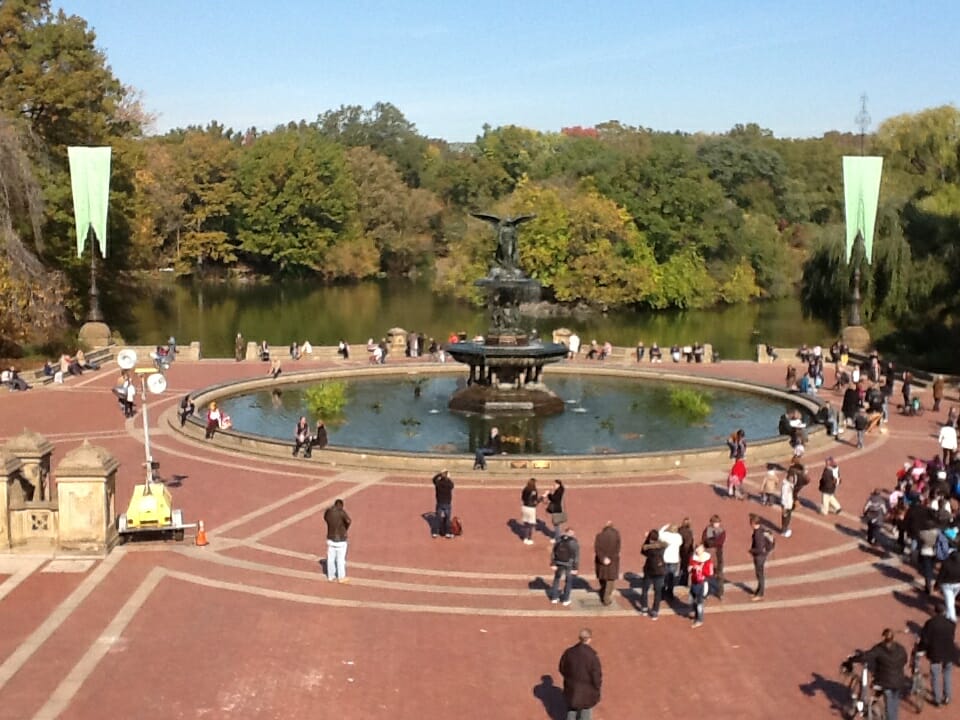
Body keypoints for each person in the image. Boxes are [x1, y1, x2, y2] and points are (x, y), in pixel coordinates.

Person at [857, 628, 908, 719]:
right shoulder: (900, 649)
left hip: (885, 682)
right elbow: (905, 660)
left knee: (889, 706)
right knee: (894, 705)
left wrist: (853, 659)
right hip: (899, 681)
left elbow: (866, 656)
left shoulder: (879, 649)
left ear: (884, 637)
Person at [558, 628, 602, 720]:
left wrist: (569, 679)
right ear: (589, 639)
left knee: (571, 709)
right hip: (587, 690)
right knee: (585, 711)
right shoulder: (592, 656)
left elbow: (562, 668)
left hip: (572, 687)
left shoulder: (569, 652)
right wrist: (597, 687)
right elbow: (596, 675)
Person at [919, 602, 957, 707]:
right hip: (949, 652)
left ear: (935, 611)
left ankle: (937, 699)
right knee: (947, 674)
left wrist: (920, 649)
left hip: (935, 652)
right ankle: (947, 695)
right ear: (944, 612)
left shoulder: (930, 623)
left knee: (935, 674)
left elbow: (925, 640)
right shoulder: (951, 623)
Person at [639, 528, 667, 619]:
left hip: (649, 571)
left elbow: (643, 551)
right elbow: (664, 543)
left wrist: (647, 540)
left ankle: (644, 608)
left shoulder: (649, 549)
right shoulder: (662, 547)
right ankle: (655, 611)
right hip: (660, 571)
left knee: (645, 590)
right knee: (658, 592)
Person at [323, 499, 351, 583]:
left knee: (331, 559)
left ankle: (331, 576)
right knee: (340, 559)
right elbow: (348, 521)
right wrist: (345, 528)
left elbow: (325, 518)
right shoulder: (341, 512)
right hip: (341, 539)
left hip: (331, 538)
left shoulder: (329, 512)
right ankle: (341, 577)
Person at [550, 528, 580, 606]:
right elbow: (576, 556)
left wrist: (553, 563)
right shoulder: (574, 542)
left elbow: (553, 551)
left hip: (558, 562)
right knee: (568, 581)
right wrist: (575, 568)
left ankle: (554, 598)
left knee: (556, 579)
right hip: (569, 564)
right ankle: (566, 599)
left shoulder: (559, 539)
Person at [594, 521, 621, 607]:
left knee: (602, 578)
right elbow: (618, 548)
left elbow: (597, 549)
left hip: (601, 561)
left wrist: (603, 558)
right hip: (612, 561)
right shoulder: (616, 535)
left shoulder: (599, 536)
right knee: (610, 580)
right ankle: (606, 598)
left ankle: (602, 592)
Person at [688, 544, 714, 628]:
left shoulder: (707, 560)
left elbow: (710, 573)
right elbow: (689, 568)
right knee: (692, 600)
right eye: (696, 549)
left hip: (702, 583)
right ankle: (696, 614)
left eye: (699, 549)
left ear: (703, 549)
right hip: (694, 582)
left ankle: (699, 619)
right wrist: (691, 568)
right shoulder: (693, 558)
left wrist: (701, 569)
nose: (697, 551)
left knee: (699, 602)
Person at [702, 515, 726, 600]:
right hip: (708, 556)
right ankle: (706, 592)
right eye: (715, 523)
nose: (717, 524)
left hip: (718, 555)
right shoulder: (707, 530)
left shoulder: (722, 531)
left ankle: (720, 592)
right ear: (711, 522)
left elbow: (720, 542)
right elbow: (704, 540)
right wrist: (712, 542)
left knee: (719, 575)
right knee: (707, 574)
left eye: (718, 523)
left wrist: (710, 542)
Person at [749, 514, 771, 601]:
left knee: (760, 574)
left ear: (754, 523)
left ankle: (760, 593)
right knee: (759, 574)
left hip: (759, 556)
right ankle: (758, 590)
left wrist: (751, 551)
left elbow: (759, 548)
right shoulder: (762, 529)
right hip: (763, 555)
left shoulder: (758, 534)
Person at [659, 523, 683, 600]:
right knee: (671, 577)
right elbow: (681, 543)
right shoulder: (678, 537)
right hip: (674, 559)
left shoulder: (666, 535)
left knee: (663, 576)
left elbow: (660, 534)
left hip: (665, 559)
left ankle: (662, 593)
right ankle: (670, 593)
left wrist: (664, 526)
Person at [938, 542, 960, 623]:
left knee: (950, 601)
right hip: (958, 584)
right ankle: (948, 614)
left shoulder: (946, 563)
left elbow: (941, 574)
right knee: (951, 599)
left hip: (947, 584)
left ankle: (952, 618)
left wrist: (937, 584)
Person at [432, 469, 454, 538]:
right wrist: (448, 477)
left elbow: (433, 479)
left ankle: (435, 532)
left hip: (439, 503)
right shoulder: (449, 484)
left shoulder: (438, 483)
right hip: (447, 503)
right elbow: (452, 484)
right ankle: (447, 532)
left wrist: (440, 473)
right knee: (447, 519)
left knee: (438, 518)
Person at [519, 478, 540, 545]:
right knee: (531, 524)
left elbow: (522, 498)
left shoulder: (525, 489)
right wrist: (542, 498)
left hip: (524, 507)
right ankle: (529, 538)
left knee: (526, 523)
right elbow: (535, 501)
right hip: (531, 508)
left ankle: (525, 538)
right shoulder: (534, 490)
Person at [780, 470, 795, 538]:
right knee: (785, 518)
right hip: (785, 505)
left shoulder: (790, 484)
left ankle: (785, 529)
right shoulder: (785, 486)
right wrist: (784, 506)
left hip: (789, 504)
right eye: (791, 478)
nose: (792, 479)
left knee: (788, 518)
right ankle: (784, 531)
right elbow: (783, 496)